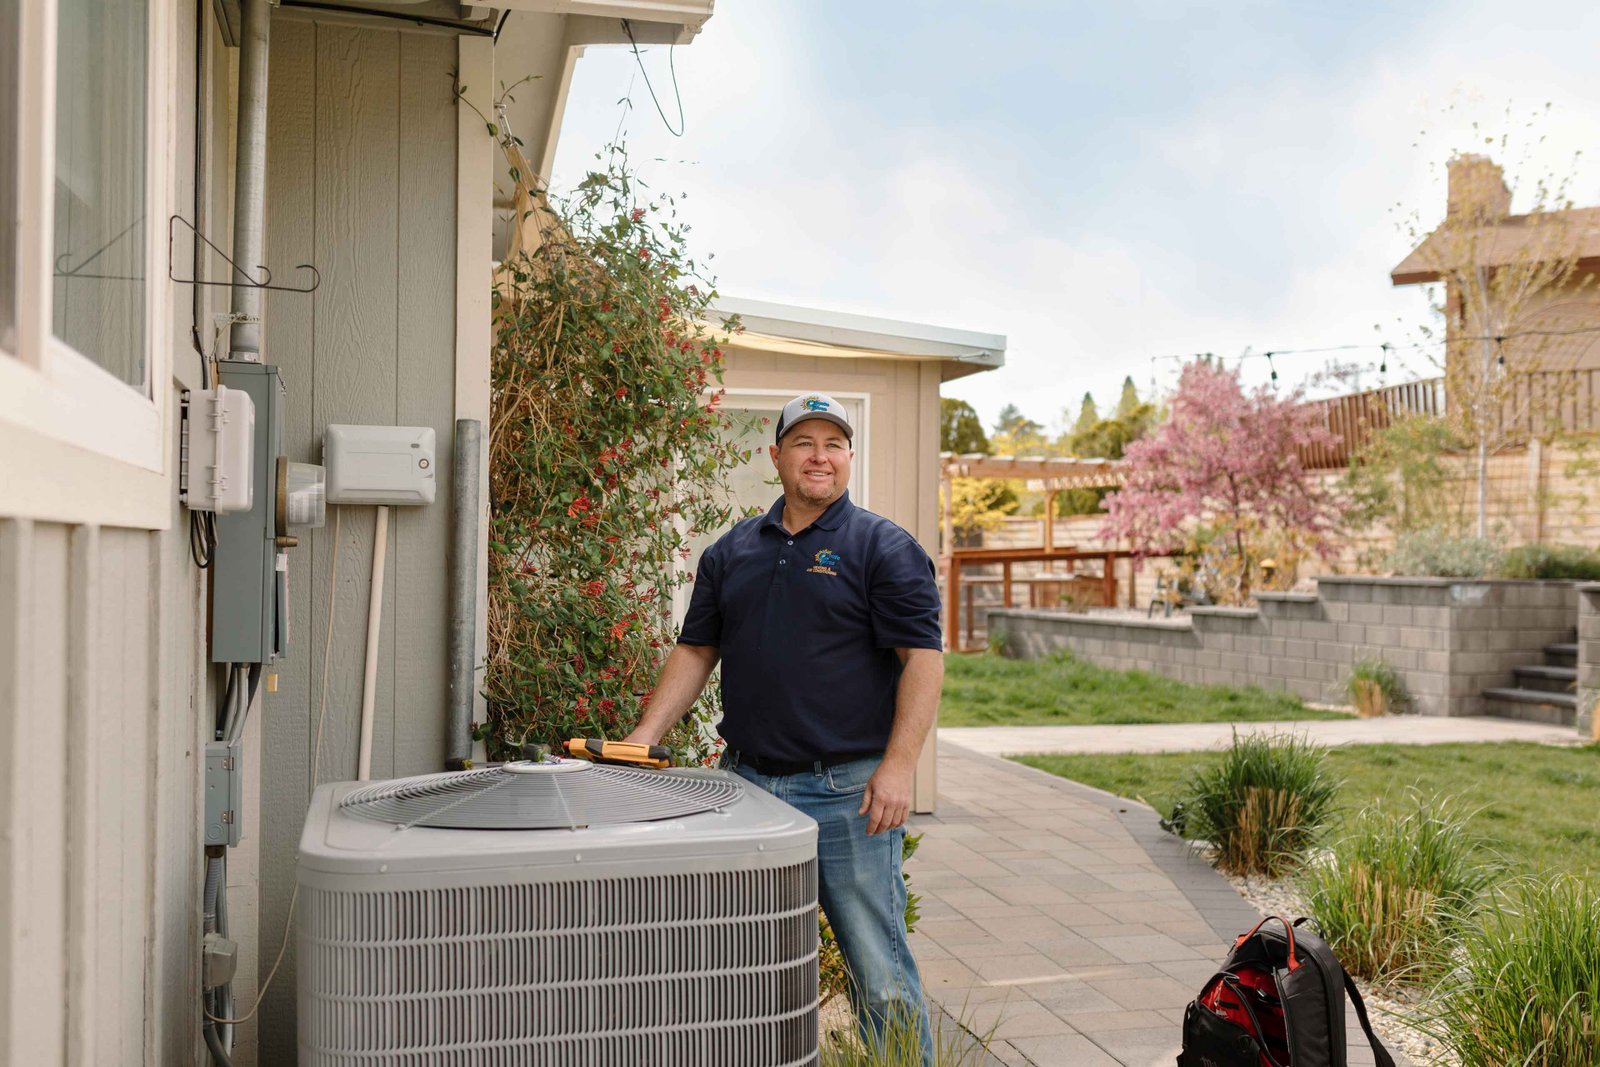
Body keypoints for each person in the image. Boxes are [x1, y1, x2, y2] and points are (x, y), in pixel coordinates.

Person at [624, 392, 944, 1062]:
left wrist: (900, 764)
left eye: (833, 443)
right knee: (743, 963)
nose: (819, 456)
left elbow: (923, 659)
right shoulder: (732, 550)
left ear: (850, 457)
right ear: (776, 456)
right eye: (804, 442)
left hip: (848, 792)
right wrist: (643, 737)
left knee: (878, 975)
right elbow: (695, 649)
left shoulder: (883, 547)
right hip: (746, 786)